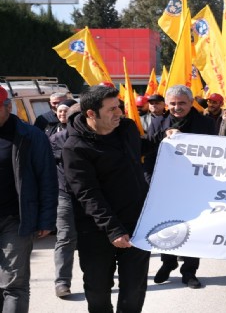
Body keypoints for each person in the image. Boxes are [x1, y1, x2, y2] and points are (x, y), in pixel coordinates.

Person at [61, 85, 150, 312]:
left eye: (118, 107)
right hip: (97, 231)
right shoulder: (75, 147)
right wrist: (113, 229)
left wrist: (171, 139)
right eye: (111, 109)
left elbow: (146, 147)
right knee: (98, 289)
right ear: (91, 113)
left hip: (136, 224)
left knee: (134, 288)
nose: (119, 112)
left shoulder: (127, 129)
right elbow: (87, 193)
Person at [146, 85, 216, 289]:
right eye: (173, 103)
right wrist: (149, 181)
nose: (177, 107)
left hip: (194, 185)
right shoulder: (158, 122)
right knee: (166, 226)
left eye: (182, 103)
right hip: (164, 185)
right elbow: (150, 152)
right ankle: (167, 263)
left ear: (190, 102)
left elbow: (214, 154)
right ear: (167, 104)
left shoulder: (206, 123)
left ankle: (189, 270)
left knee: (192, 228)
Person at [0, 85, 58, 312]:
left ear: (7, 106)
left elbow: (47, 178)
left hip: (17, 219)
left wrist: (46, 219)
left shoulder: (30, 136)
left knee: (14, 284)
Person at [49, 103, 80, 298]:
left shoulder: (100, 137)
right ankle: (62, 282)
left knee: (95, 238)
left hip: (93, 196)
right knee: (66, 237)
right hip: (66, 196)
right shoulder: (56, 140)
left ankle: (99, 277)